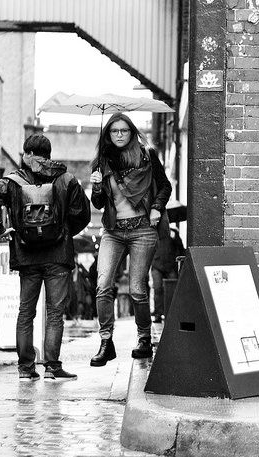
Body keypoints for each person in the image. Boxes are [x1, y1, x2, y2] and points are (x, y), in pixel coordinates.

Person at [0, 134, 91, 381]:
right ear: (48, 155)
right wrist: (64, 231)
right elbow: (83, 214)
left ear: (27, 154)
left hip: (27, 256)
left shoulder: (12, 181)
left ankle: (26, 369)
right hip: (58, 257)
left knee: (25, 312)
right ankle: (52, 367)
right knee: (54, 313)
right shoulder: (66, 179)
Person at [89, 112, 172, 367]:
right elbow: (99, 203)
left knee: (137, 289)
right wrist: (95, 186)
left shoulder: (147, 155)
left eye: (124, 130)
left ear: (132, 132)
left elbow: (165, 186)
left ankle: (144, 338)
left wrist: (157, 207)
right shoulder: (101, 163)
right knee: (103, 285)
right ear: (108, 135)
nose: (119, 135)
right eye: (114, 131)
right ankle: (106, 342)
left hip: (142, 230)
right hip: (113, 231)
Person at [150, 226, 185, 323]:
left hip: (170, 265)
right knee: (157, 289)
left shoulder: (173, 232)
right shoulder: (154, 232)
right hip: (157, 264)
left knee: (172, 289)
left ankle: (171, 313)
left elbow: (181, 248)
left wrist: (175, 237)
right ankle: (158, 314)